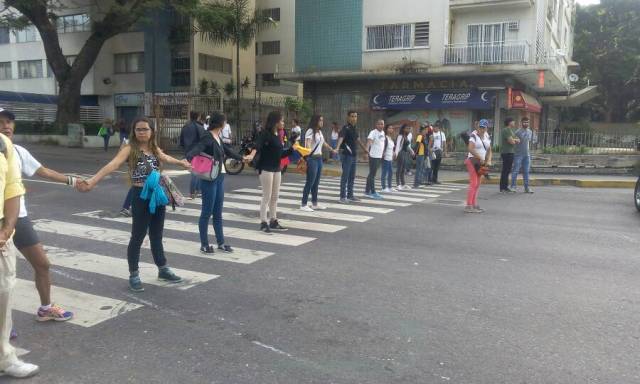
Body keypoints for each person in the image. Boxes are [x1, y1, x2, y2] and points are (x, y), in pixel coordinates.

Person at [77, 117, 191, 292]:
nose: (142, 132)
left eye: (145, 129)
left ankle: (163, 269)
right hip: (140, 195)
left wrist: (180, 163)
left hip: (157, 195)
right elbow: (113, 165)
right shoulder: (129, 148)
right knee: (137, 237)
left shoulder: (153, 148)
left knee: (156, 235)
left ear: (151, 131)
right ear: (134, 131)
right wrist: (93, 180)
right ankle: (134, 274)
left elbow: (164, 157)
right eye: (138, 129)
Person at [0, 112, 74, 323]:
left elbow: (45, 172)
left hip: (18, 218)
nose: (6, 126)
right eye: (0, 123)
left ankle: (46, 308)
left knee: (42, 264)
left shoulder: (18, 152)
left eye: (8, 121)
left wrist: (74, 181)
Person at [0, 109, 39, 378]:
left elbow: (12, 187)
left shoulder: (6, 146)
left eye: (8, 120)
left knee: (3, 293)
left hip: (2, 231)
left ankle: (4, 357)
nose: (6, 125)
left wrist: (7, 227)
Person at [187, 113, 248, 254]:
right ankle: (204, 244)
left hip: (219, 177)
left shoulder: (217, 137)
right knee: (206, 212)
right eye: (225, 122)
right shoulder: (208, 136)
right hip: (209, 179)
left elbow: (227, 151)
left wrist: (242, 158)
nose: (226, 124)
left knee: (218, 212)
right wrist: (188, 158)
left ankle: (221, 243)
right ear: (221, 124)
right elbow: (198, 147)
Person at [249, 111, 295, 233]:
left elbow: (279, 154)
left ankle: (273, 221)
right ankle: (263, 222)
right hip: (266, 169)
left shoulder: (277, 135)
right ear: (275, 122)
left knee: (275, 196)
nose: (283, 123)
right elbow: (257, 145)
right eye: (282, 120)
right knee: (267, 196)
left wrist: (291, 149)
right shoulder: (265, 134)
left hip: (276, 169)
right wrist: (252, 154)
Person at [300, 115, 338, 211]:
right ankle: (303, 204)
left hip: (319, 159)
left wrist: (332, 150)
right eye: (320, 120)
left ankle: (314, 203)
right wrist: (306, 154)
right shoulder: (310, 131)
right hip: (312, 159)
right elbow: (308, 144)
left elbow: (324, 143)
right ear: (315, 121)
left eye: (322, 120)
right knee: (310, 182)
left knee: (316, 182)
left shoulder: (320, 132)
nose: (322, 122)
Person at [336, 111, 368, 203]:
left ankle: (350, 195)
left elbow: (358, 139)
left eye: (355, 116)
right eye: (352, 116)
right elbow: (341, 137)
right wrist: (337, 147)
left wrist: (365, 149)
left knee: (352, 176)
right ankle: (342, 197)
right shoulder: (345, 128)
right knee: (345, 176)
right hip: (346, 156)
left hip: (353, 156)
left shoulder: (354, 128)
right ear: (348, 117)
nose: (354, 118)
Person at [465, 119, 492, 213]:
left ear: (486, 128)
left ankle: (474, 204)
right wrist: (480, 157)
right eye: (480, 127)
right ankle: (469, 206)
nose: (482, 129)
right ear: (478, 127)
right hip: (472, 161)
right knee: (474, 183)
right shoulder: (474, 135)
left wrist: (488, 160)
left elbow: (489, 150)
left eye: (484, 127)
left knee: (477, 184)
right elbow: (470, 149)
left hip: (481, 163)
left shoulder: (487, 136)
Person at [180, 111, 204, 199]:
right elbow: (203, 141)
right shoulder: (199, 127)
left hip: (187, 151)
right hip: (197, 152)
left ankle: (197, 191)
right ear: (198, 116)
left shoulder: (185, 126)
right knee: (196, 172)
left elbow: (181, 141)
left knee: (195, 171)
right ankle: (193, 191)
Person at [511, 117, 534, 193]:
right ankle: (513, 187)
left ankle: (526, 188)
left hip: (527, 155)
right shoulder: (517, 132)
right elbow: (514, 142)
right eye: (524, 122)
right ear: (521, 123)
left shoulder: (530, 132)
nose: (526, 124)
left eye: (527, 122)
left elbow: (528, 142)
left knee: (526, 171)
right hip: (518, 154)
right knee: (515, 171)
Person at [364, 119, 385, 199]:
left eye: (382, 124)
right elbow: (369, 142)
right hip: (373, 156)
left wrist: (382, 153)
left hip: (379, 156)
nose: (381, 125)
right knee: (372, 174)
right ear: (376, 125)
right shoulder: (373, 132)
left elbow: (381, 143)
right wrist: (366, 152)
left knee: (371, 174)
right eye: (379, 124)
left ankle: (367, 191)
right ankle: (373, 192)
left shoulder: (383, 133)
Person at [499, 117, 519, 193]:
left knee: (507, 171)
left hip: (510, 152)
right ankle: (503, 187)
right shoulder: (506, 130)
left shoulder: (511, 131)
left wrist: (515, 140)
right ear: (509, 122)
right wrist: (515, 140)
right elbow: (512, 142)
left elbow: (517, 139)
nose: (514, 123)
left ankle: (505, 187)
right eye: (513, 121)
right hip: (507, 152)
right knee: (505, 170)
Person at [395, 124, 414, 190]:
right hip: (400, 153)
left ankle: (403, 184)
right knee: (399, 170)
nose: (408, 130)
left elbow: (407, 146)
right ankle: (398, 184)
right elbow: (397, 146)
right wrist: (396, 154)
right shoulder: (400, 136)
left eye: (409, 128)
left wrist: (411, 151)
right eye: (406, 128)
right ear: (403, 129)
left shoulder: (406, 136)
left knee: (403, 170)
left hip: (405, 153)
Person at [380, 124, 395, 193]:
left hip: (390, 158)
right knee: (384, 173)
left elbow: (391, 148)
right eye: (389, 128)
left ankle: (390, 187)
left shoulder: (391, 138)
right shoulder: (385, 137)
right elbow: (383, 147)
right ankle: (383, 187)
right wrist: (382, 155)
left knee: (391, 173)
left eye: (392, 128)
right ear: (386, 129)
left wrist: (394, 153)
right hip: (385, 158)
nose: (391, 129)